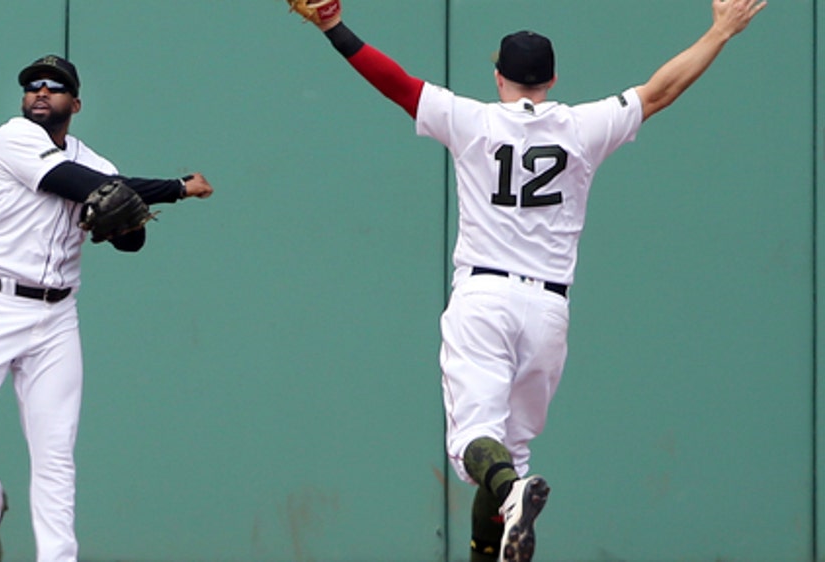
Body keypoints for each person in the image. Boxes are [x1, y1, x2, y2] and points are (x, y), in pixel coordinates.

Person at [293, 1, 765, 560]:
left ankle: (513, 492)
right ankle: (504, 516)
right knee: (508, 455)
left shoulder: (472, 121)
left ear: (499, 77)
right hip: (547, 310)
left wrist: (332, 26)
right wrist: (722, 30)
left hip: (484, 298)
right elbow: (662, 88)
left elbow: (394, 83)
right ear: (553, 79)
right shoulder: (584, 127)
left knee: (474, 446)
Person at [0, 54, 214, 562]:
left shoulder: (99, 163)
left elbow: (132, 240)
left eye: (55, 87)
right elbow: (78, 184)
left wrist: (125, 222)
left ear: (75, 104)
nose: (41, 92)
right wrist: (179, 189)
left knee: (55, 455)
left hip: (55, 319)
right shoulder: (10, 138)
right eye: (32, 86)